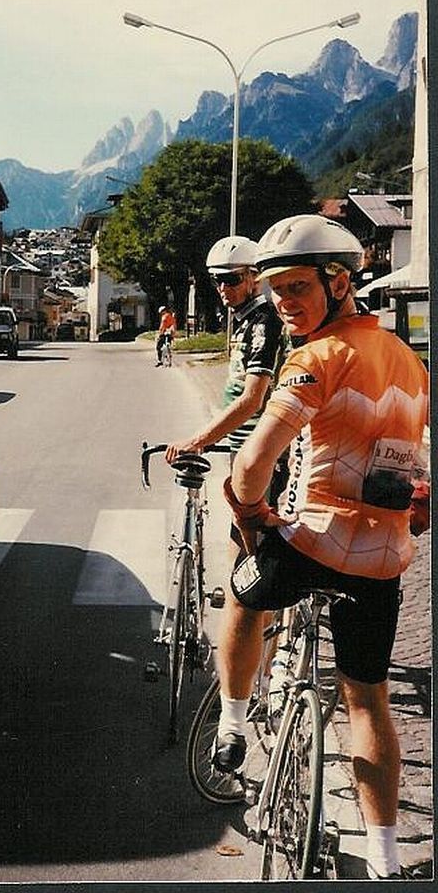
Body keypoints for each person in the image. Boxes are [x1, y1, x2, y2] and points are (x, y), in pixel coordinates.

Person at [214, 214, 429, 881]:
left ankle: (231, 723)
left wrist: (252, 512)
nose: (284, 302)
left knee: (244, 591)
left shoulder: (315, 358)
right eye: (275, 290)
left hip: (312, 542)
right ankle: (385, 859)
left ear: (339, 282)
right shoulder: (408, 361)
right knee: (367, 700)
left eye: (298, 287)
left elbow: (252, 465)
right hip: (383, 558)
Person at [164, 235, 284, 460]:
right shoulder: (246, 320)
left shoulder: (264, 322)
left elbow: (252, 399)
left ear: (255, 277)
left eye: (231, 279)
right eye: (217, 280)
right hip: (242, 442)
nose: (222, 288)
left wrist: (198, 440)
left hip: (260, 447)